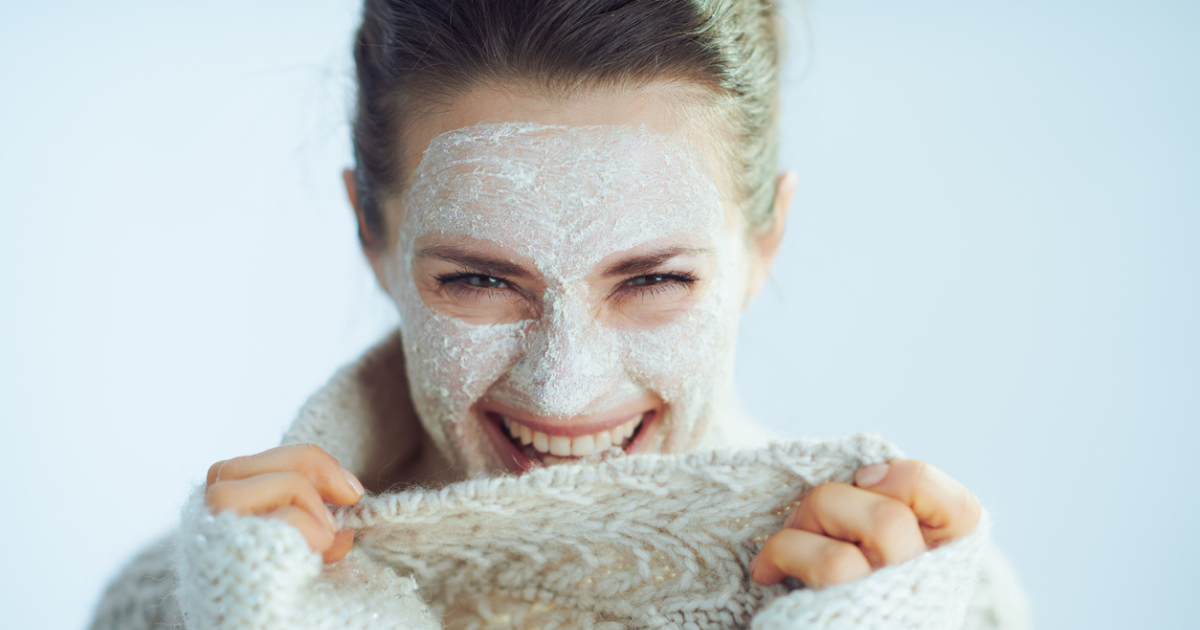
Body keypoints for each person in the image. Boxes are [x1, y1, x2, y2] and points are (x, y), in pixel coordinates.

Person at [91, 1, 1028, 628]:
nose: (564, 384)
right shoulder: (190, 601)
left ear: (766, 240)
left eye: (653, 280)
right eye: (480, 281)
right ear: (371, 232)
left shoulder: (925, 596)